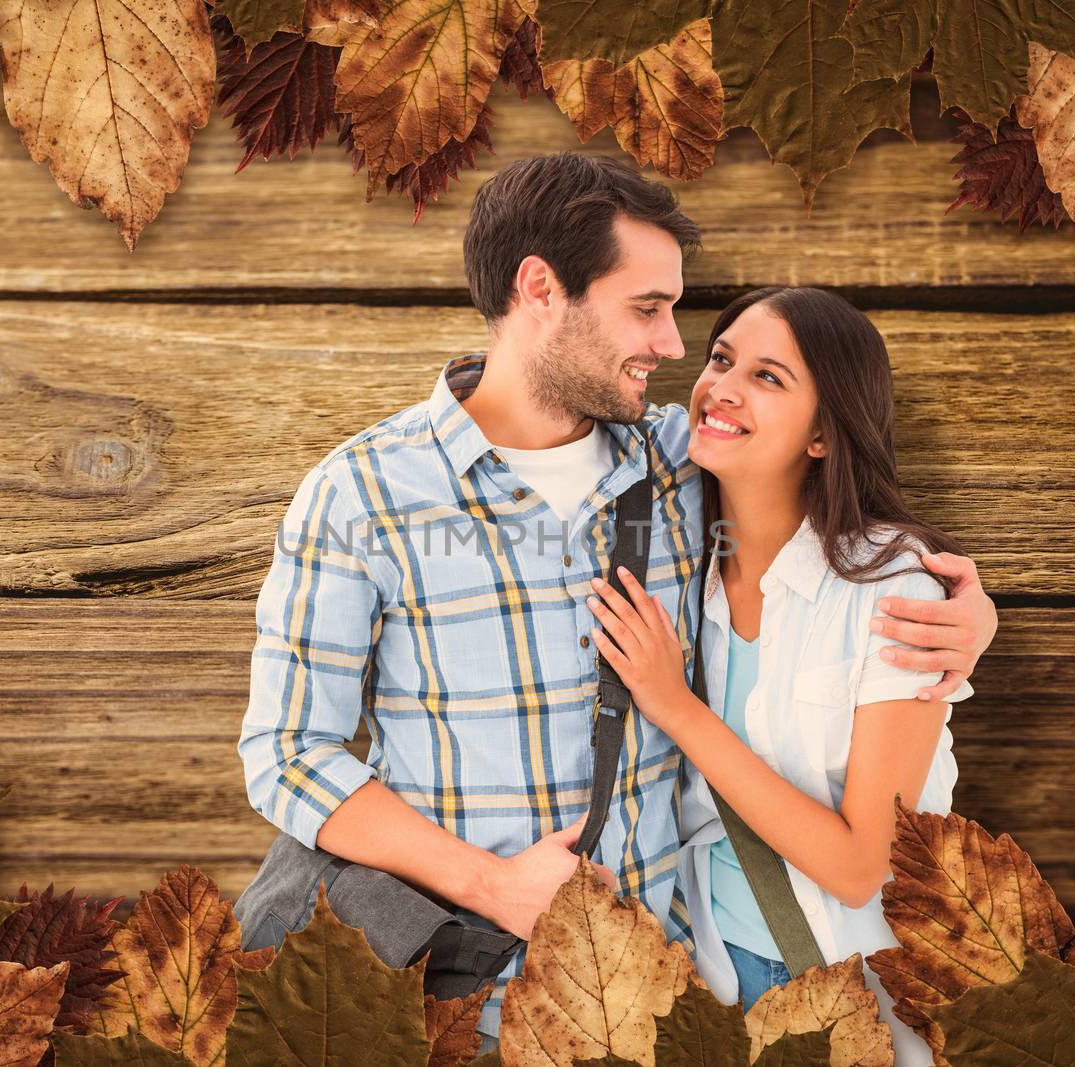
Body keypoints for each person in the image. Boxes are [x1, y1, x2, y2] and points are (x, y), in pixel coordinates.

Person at [237, 153, 999, 1051]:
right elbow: (286, 754)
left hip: (662, 1002)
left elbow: (813, 513)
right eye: (647, 308)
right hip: (462, 996)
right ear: (540, 289)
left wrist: (965, 617)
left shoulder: (680, 462)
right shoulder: (361, 494)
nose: (674, 347)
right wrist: (489, 883)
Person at [583, 285, 975, 1064]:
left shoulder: (895, 592)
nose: (722, 386)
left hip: (847, 986)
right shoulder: (678, 560)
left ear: (825, 433)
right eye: (722, 358)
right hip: (703, 975)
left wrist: (676, 706)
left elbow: (861, 865)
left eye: (768, 377)